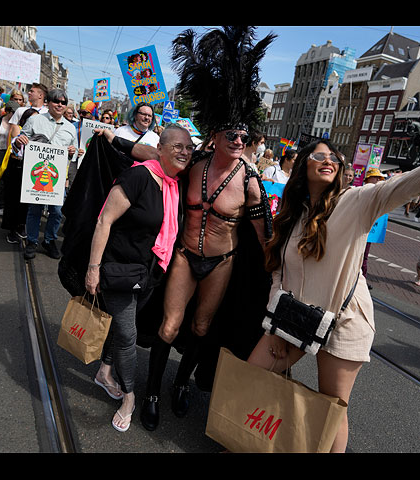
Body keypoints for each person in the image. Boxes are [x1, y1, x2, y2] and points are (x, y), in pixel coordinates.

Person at [245, 119, 420, 453]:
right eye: (318, 155)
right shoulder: (292, 214)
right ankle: (245, 440)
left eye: (335, 158)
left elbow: (405, 185)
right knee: (254, 376)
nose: (328, 160)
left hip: (344, 323)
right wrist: (276, 324)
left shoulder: (357, 201)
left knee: (332, 409)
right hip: (295, 318)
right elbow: (279, 271)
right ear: (301, 165)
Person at [140, 26, 276, 432]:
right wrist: (114, 139)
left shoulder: (251, 181)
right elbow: (157, 156)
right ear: (214, 134)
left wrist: (280, 265)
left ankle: (182, 384)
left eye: (244, 135)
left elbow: (262, 237)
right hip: (184, 255)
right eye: (231, 133)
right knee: (169, 325)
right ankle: (150, 391)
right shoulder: (192, 164)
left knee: (201, 327)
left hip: (221, 263)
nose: (239, 139)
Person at [85, 123, 193, 432]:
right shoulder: (138, 176)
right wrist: (94, 268)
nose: (184, 152)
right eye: (177, 147)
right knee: (128, 335)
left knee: (121, 330)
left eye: (188, 147)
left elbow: (166, 153)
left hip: (150, 273)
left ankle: (105, 371)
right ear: (160, 149)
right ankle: (130, 397)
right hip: (119, 269)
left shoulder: (175, 182)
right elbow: (104, 220)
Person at [14, 88, 82, 260]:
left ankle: (49, 240)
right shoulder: (35, 120)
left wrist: (74, 152)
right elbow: (18, 141)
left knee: (57, 211)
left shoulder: (70, 128)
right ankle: (32, 241)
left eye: (63, 102)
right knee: (34, 210)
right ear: (48, 102)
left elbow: (72, 155)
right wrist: (19, 141)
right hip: (36, 175)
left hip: (56, 177)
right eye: (56, 101)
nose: (60, 105)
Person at [2, 108, 39, 244]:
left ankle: (21, 226)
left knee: (26, 201)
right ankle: (11, 229)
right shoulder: (19, 129)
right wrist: (18, 142)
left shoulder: (40, 133)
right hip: (17, 167)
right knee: (13, 199)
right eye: (32, 119)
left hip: (30, 169)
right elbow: (15, 146)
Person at [0, 100, 19, 216]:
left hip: (11, 153)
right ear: (8, 111)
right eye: (13, 112)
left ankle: (7, 204)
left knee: (9, 180)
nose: (15, 115)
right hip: (0, 151)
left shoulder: (17, 124)